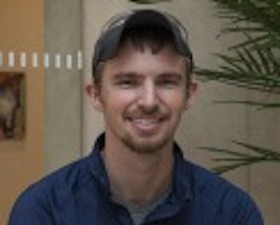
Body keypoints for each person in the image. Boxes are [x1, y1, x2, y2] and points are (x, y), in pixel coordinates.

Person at [8, 9, 264, 225]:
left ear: (189, 95)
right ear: (96, 95)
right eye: (128, 82)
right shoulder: (44, 211)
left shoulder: (231, 214)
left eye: (166, 82)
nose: (149, 101)